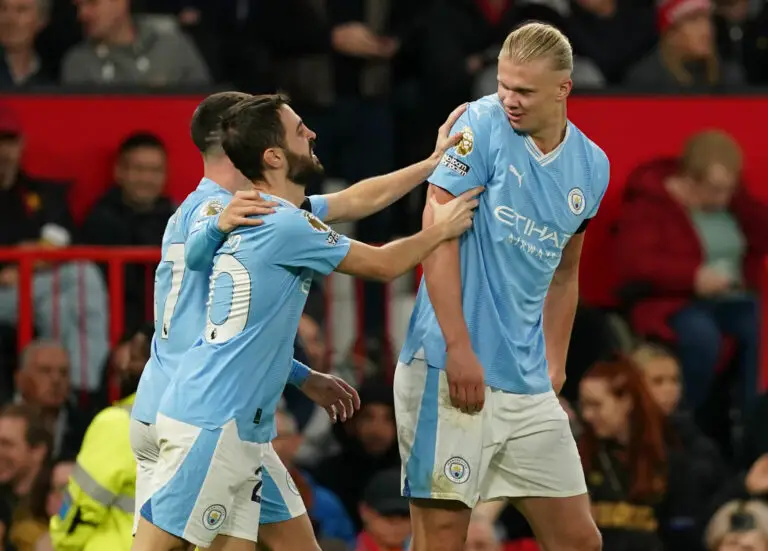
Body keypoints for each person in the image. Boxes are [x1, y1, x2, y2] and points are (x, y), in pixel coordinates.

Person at [130, 92, 477, 551]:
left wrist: (430, 165)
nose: (311, 132)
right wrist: (443, 228)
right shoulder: (219, 210)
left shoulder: (258, 210)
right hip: (207, 413)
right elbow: (381, 264)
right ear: (265, 151)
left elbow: (352, 200)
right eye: (297, 129)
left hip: (228, 415)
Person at [394, 22, 610, 551]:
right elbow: (437, 235)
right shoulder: (479, 124)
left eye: (524, 91)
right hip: (449, 370)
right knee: (442, 538)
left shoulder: (592, 166)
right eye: (503, 85)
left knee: (580, 540)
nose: (509, 99)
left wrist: (555, 363)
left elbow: (565, 271)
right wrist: (459, 347)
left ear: (563, 89)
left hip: (526, 382)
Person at [50, 324, 151, 551]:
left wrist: (60, 539)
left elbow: (82, 506)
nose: (125, 366)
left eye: (134, 359)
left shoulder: (119, 422)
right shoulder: (198, 421)